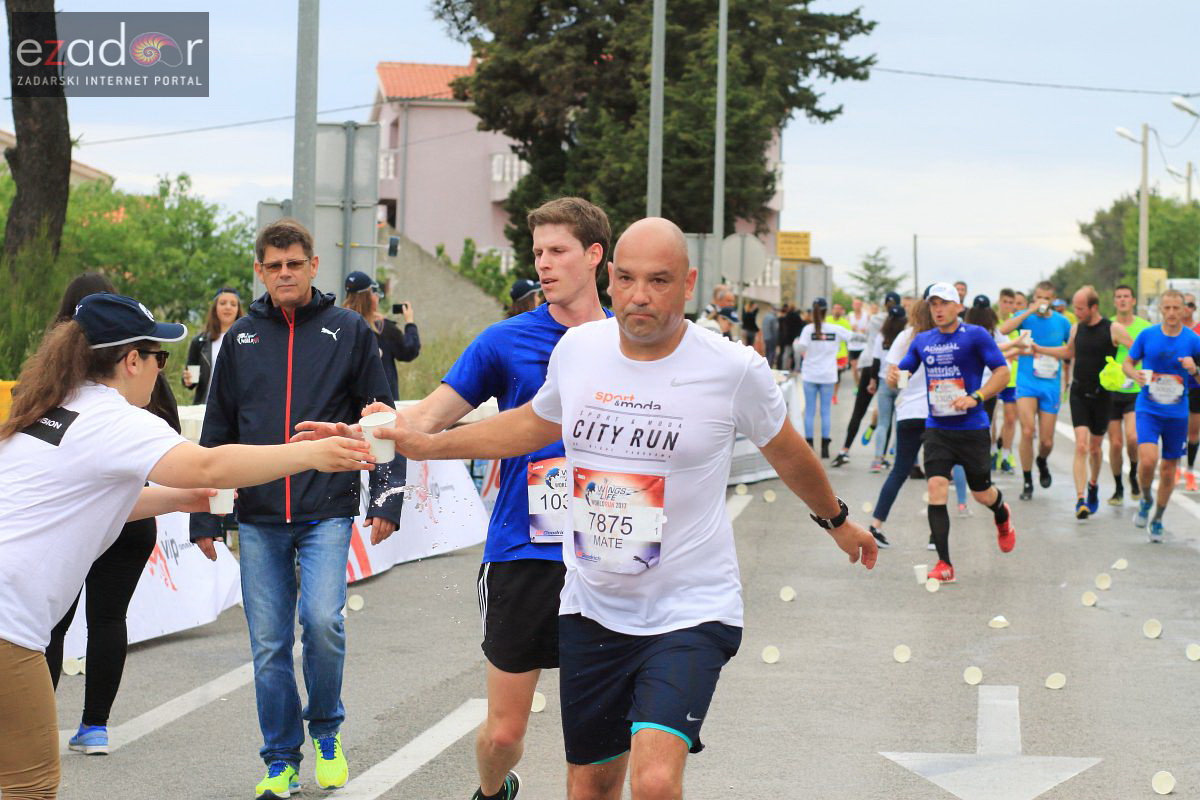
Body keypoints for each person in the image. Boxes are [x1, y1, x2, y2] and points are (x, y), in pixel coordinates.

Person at [352, 216, 876, 800]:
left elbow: (788, 452)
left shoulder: (732, 369)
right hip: (593, 606)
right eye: (626, 279)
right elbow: (529, 425)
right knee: (593, 787)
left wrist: (836, 520)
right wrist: (427, 444)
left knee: (652, 782)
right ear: (610, 279)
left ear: (688, 283)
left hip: (690, 608)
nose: (639, 296)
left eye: (658, 280)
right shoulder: (579, 352)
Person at [299, 196, 613, 800]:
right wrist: (363, 429)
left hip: (609, 552)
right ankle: (494, 792)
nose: (543, 264)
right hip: (525, 549)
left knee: (594, 736)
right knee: (502, 734)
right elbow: (430, 417)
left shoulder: (626, 338)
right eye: (537, 252)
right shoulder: (505, 340)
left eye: (558, 251)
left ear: (594, 255)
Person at [0, 293, 373, 800]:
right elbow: (209, 465)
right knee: (31, 787)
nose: (160, 370)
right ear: (132, 360)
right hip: (7, 624)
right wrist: (311, 453)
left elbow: (87, 501)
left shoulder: (54, 407)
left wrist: (177, 499)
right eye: (160, 357)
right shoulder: (114, 419)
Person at [189, 218, 407, 799]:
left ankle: (327, 729)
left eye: (295, 263)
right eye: (273, 265)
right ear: (260, 271)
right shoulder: (240, 339)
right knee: (267, 644)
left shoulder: (349, 331)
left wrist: (387, 495)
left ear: (313, 266)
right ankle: (281, 758)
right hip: (258, 517)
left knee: (322, 623)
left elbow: (380, 413)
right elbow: (216, 431)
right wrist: (206, 515)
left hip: (325, 510)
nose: (285, 273)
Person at [41, 273, 183, 757]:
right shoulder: (142, 384)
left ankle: (37, 728)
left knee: (54, 624)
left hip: (77, 515)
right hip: (130, 513)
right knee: (108, 619)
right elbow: (181, 451)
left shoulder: (51, 385)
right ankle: (95, 727)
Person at [895, 282, 1016, 584]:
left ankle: (1002, 513)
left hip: (972, 427)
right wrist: (896, 375)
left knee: (981, 493)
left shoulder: (975, 336)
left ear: (959, 306)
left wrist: (976, 397)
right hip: (938, 428)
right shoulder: (923, 340)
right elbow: (906, 368)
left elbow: (1003, 373)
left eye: (944, 303)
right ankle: (944, 563)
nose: (938, 309)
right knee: (936, 486)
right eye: (933, 304)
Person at [1031, 287, 1131, 519]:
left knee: (1095, 448)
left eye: (1080, 308)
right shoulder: (1076, 328)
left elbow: (1135, 348)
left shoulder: (1112, 328)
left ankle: (1093, 484)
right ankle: (1080, 499)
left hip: (1103, 396)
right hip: (1079, 393)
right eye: (1075, 307)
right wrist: (1040, 349)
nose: (1075, 312)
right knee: (1081, 445)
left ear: (1093, 307)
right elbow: (1068, 351)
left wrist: (1125, 370)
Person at [1122, 289, 1200, 541]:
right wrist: (1133, 375)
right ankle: (1145, 498)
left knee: (1168, 470)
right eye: (1166, 308)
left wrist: (1194, 368)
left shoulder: (1192, 340)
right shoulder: (1147, 335)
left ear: (1183, 309)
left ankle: (1157, 518)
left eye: (1176, 308)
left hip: (1177, 414)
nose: (1171, 313)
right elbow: (1128, 362)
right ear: (1161, 310)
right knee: (1147, 460)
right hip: (1148, 408)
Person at [868, 299, 934, 546]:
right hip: (936, 414)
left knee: (899, 471)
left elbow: (891, 375)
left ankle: (875, 526)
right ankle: (935, 535)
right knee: (937, 474)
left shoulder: (905, 337)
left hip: (908, 410)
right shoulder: (943, 339)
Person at [999, 281, 1072, 500]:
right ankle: (1028, 479)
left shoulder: (1063, 322)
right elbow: (1003, 330)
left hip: (1050, 383)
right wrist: (1029, 310)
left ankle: (1042, 460)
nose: (1042, 302)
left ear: (1053, 300)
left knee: (1047, 441)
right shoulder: (1026, 316)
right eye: (1039, 298)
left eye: (1047, 299)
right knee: (1028, 430)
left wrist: (1047, 353)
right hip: (1027, 381)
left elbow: (1069, 351)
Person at [832, 293, 903, 469]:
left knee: (859, 410)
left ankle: (845, 449)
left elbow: (869, 340)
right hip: (890, 370)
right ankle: (882, 456)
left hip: (869, 364)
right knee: (888, 415)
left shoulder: (874, 320)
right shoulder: (902, 323)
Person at [343, 270, 421, 402]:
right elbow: (409, 351)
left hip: (349, 404)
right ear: (369, 297)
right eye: (374, 292)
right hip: (381, 405)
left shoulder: (340, 325)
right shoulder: (383, 328)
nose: (377, 296)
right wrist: (410, 322)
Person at [1106, 284, 1150, 504]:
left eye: (1126, 296)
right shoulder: (1109, 325)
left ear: (1133, 301)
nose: (1122, 300)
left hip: (1135, 390)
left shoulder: (1144, 327)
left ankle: (1133, 474)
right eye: (1118, 296)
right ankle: (1118, 487)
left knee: (1133, 439)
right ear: (1115, 301)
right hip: (1112, 391)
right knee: (1115, 444)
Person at [794, 297, 853, 458]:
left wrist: (796, 343)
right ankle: (826, 448)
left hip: (810, 374)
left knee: (810, 412)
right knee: (826, 411)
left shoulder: (808, 330)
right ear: (826, 311)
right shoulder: (834, 329)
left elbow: (800, 348)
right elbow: (852, 337)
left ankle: (810, 446)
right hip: (828, 375)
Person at [183, 287, 244, 404]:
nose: (228, 307)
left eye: (233, 304)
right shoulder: (200, 341)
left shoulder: (247, 340)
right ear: (215, 307)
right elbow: (191, 379)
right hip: (206, 407)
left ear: (238, 309)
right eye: (223, 303)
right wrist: (187, 379)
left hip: (237, 408)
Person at [992, 288, 1019, 474]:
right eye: (1005, 302)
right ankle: (992, 451)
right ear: (1000, 302)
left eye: (1012, 303)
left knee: (1010, 418)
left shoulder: (1018, 324)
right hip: (994, 376)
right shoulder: (992, 322)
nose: (1008, 306)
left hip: (1013, 378)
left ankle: (1006, 454)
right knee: (991, 417)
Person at [1183, 293, 1200, 492]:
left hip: (1195, 387)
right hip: (1174, 387)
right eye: (1183, 304)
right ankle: (1176, 466)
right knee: (1177, 430)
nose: (1186, 308)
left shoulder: (1198, 331)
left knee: (1193, 432)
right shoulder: (1170, 331)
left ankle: (1189, 471)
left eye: (1190, 305)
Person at [848, 297, 870, 381]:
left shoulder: (866, 315)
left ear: (861, 305)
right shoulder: (850, 315)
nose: (856, 306)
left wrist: (865, 330)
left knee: (863, 368)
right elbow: (846, 328)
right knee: (855, 368)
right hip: (853, 346)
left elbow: (871, 328)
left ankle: (862, 385)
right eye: (855, 304)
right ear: (852, 305)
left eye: (858, 304)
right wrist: (851, 328)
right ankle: (857, 386)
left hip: (863, 345)